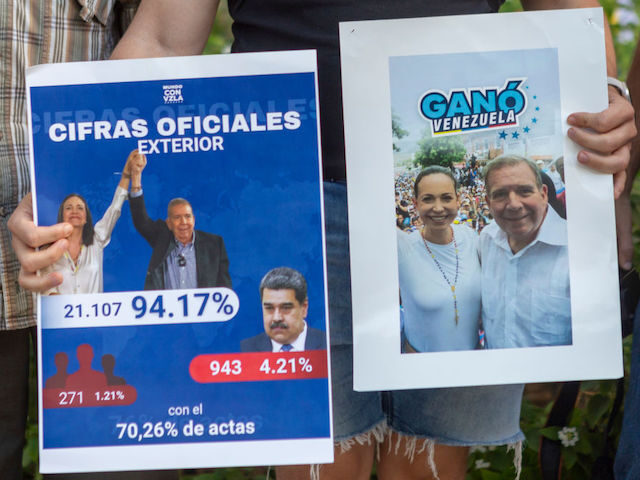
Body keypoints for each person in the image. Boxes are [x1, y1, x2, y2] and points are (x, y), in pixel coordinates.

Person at [8, 1, 636, 479]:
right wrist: (75, 176)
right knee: (320, 459)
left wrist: (607, 96)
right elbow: (163, 35)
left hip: (458, 192)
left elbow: (569, 13)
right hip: (290, 196)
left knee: (430, 456)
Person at [480, 155, 571, 348]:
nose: (513, 204)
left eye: (524, 191)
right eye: (500, 194)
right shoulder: (486, 240)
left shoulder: (575, 249)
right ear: (488, 202)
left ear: (544, 194)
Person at [398, 166, 481, 353]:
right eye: (428, 199)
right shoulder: (403, 248)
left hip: (475, 368)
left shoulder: (471, 237)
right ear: (415, 203)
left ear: (458, 200)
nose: (438, 208)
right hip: (422, 371)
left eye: (446, 198)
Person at [127, 151, 232, 290]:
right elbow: (141, 221)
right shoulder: (162, 239)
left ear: (193, 220)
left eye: (187, 216)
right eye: (177, 218)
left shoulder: (214, 244)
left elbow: (225, 289)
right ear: (168, 223)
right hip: (166, 311)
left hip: (203, 311)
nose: (183, 222)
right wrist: (136, 177)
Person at [41, 170, 131, 295]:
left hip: (96, 313)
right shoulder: (50, 250)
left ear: (86, 218)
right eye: (68, 208)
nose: (74, 211)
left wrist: (126, 176)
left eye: (80, 208)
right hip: (62, 313)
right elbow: (44, 286)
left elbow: (114, 209)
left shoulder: (97, 240)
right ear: (61, 216)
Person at [241, 267, 326, 352]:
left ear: (304, 307)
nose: (277, 318)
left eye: (286, 308)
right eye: (269, 308)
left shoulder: (327, 344)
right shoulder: (246, 349)